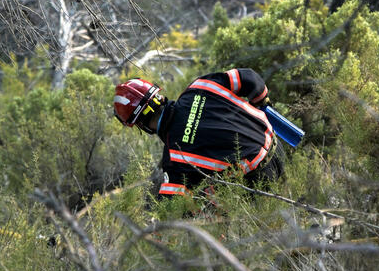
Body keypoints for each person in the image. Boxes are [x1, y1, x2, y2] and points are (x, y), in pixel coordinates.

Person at [113, 69, 284, 197]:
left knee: (204, 200)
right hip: (278, 145)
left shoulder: (174, 159)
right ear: (158, 96)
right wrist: (263, 103)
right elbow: (250, 78)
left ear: (141, 125)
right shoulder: (200, 86)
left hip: (257, 181)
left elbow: (172, 206)